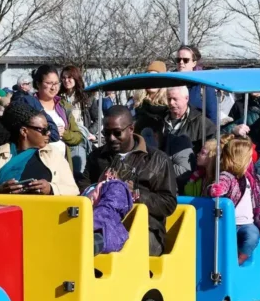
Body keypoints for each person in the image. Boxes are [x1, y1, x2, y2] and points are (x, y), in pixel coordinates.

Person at [83, 106, 178, 255]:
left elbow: (169, 203)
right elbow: (83, 188)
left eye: (117, 133)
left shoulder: (158, 159)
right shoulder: (97, 157)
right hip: (103, 225)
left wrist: (135, 195)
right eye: (106, 133)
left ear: (131, 129)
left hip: (146, 229)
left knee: (122, 244)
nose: (111, 138)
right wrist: (98, 187)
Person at [0, 102, 78, 195]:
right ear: (24, 131)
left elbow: (73, 190)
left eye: (48, 128)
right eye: (43, 130)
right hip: (3, 217)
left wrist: (51, 189)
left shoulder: (53, 154)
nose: (48, 133)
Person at [207, 137, 260, 264]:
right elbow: (220, 186)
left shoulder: (249, 176)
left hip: (247, 223)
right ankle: (229, 262)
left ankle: (239, 260)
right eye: (249, 158)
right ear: (241, 159)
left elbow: (256, 183)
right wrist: (214, 189)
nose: (251, 160)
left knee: (252, 236)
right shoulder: (227, 176)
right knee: (226, 242)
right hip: (230, 223)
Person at [161, 85, 217, 183]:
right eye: (169, 99)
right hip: (163, 179)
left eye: (175, 99)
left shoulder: (202, 123)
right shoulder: (160, 121)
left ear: (186, 98)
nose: (171, 103)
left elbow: (212, 149)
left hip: (190, 181)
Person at [60, 65, 97, 178]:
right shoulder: (58, 97)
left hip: (81, 136)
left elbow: (97, 119)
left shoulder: (88, 97)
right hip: (63, 136)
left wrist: (90, 133)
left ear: (76, 78)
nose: (66, 80)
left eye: (70, 77)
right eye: (64, 78)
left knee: (78, 170)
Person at [175, 45, 217, 122]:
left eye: (185, 60)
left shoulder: (204, 85)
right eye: (178, 60)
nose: (181, 62)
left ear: (194, 63)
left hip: (196, 131)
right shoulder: (170, 84)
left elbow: (213, 117)